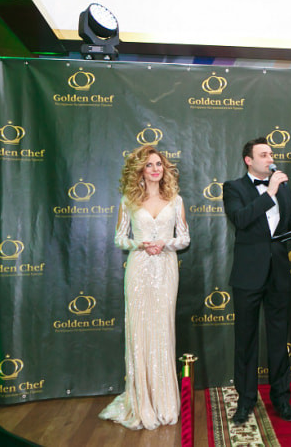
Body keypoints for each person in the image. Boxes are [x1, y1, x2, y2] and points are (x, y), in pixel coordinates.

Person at [223, 137, 291, 426]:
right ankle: (246, 400)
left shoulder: (284, 188)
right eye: (263, 154)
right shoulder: (234, 188)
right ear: (248, 160)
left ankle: (281, 399)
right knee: (246, 340)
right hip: (248, 274)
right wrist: (270, 191)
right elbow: (241, 219)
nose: (270, 158)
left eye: (271, 154)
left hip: (278, 272)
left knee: (278, 338)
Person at [99, 145, 190, 430]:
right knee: (139, 331)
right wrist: (139, 244)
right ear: (140, 170)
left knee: (163, 329)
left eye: (159, 164)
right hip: (138, 269)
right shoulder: (128, 200)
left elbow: (184, 238)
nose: (155, 169)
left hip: (165, 269)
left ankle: (164, 401)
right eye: (149, 165)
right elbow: (119, 238)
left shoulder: (175, 200)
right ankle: (140, 401)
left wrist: (165, 243)